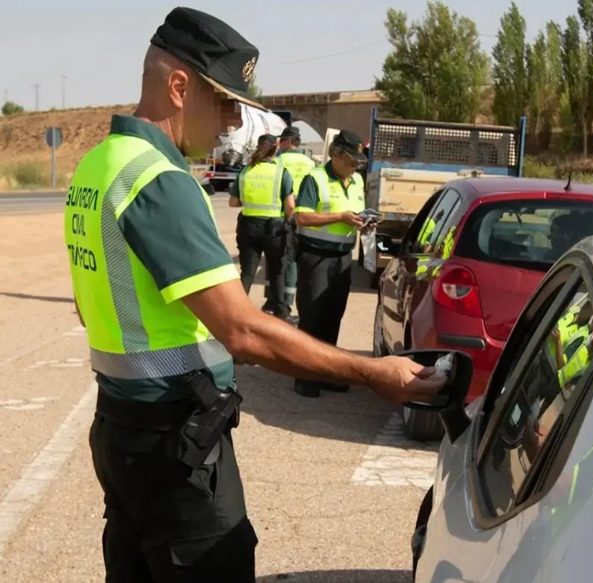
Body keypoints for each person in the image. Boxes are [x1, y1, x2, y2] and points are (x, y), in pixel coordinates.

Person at [63, 8, 442, 582]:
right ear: (178, 86)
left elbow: (94, 301)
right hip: (174, 447)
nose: (232, 121)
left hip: (121, 431)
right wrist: (371, 373)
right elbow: (242, 330)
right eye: (225, 101)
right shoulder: (159, 181)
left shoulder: (97, 166)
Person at [293, 130, 369, 398]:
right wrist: (341, 217)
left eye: (358, 162)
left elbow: (355, 213)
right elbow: (301, 217)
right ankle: (304, 376)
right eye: (350, 160)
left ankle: (325, 373)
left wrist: (364, 223)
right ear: (335, 154)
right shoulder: (315, 178)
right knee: (312, 316)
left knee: (333, 316)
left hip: (343, 258)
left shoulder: (357, 181)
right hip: (316, 257)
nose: (355, 166)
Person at [228, 133, 294, 320]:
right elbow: (290, 206)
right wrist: (288, 222)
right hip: (274, 228)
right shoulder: (281, 172)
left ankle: (238, 311)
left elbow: (233, 202)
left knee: (248, 272)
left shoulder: (246, 171)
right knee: (277, 271)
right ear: (276, 147)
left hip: (248, 226)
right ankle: (281, 312)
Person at [276, 125, 316, 323]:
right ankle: (291, 302)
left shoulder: (279, 159)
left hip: (284, 215)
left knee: (283, 261)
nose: (280, 144)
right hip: (304, 215)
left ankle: (282, 303)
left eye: (282, 140)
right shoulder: (310, 163)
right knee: (298, 260)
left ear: (289, 141)